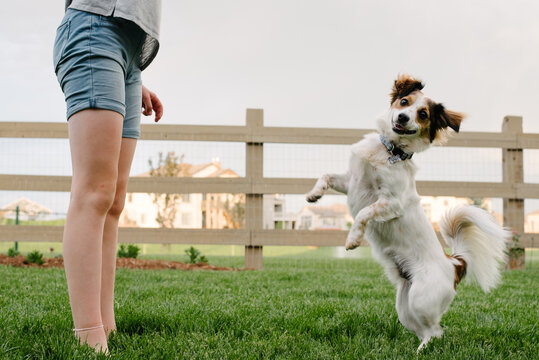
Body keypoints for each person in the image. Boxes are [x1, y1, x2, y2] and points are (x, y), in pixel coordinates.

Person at [53, 0, 162, 353]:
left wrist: (131, 76)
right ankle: (88, 335)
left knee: (114, 200)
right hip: (94, 29)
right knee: (94, 192)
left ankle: (105, 325)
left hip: (129, 51)